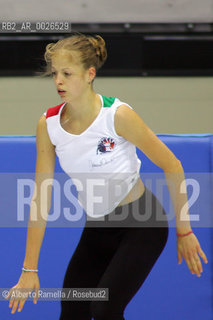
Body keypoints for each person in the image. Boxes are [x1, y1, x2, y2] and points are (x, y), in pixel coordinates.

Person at [6, 33, 208, 319]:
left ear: (90, 74)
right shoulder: (48, 124)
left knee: (104, 310)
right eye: (54, 74)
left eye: (67, 73)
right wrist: (29, 269)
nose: (58, 81)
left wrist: (184, 231)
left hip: (143, 223)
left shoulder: (117, 115)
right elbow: (40, 198)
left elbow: (172, 164)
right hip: (98, 226)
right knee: (73, 310)